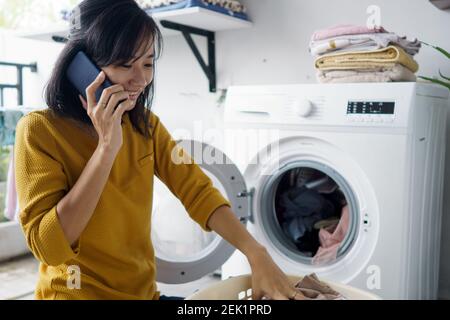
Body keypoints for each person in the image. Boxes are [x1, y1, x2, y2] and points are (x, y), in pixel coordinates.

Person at [15, 0, 303, 300]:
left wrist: (257, 253)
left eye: (148, 64)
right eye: (125, 64)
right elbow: (48, 247)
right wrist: (106, 149)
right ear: (81, 67)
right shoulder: (39, 131)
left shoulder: (145, 126)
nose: (140, 80)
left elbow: (198, 191)